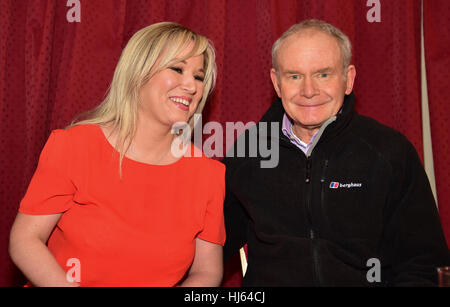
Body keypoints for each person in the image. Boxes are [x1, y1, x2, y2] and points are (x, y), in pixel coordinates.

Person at [223, 19, 449, 286]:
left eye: (323, 74)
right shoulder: (249, 150)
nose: (309, 91)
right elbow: (209, 247)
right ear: (276, 82)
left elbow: (423, 266)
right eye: (294, 76)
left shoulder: (389, 151)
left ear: (348, 79)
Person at [9, 22, 225, 287]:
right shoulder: (75, 146)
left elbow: (207, 272)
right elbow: (25, 240)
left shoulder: (208, 174)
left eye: (199, 76)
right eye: (177, 69)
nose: (191, 86)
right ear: (138, 73)